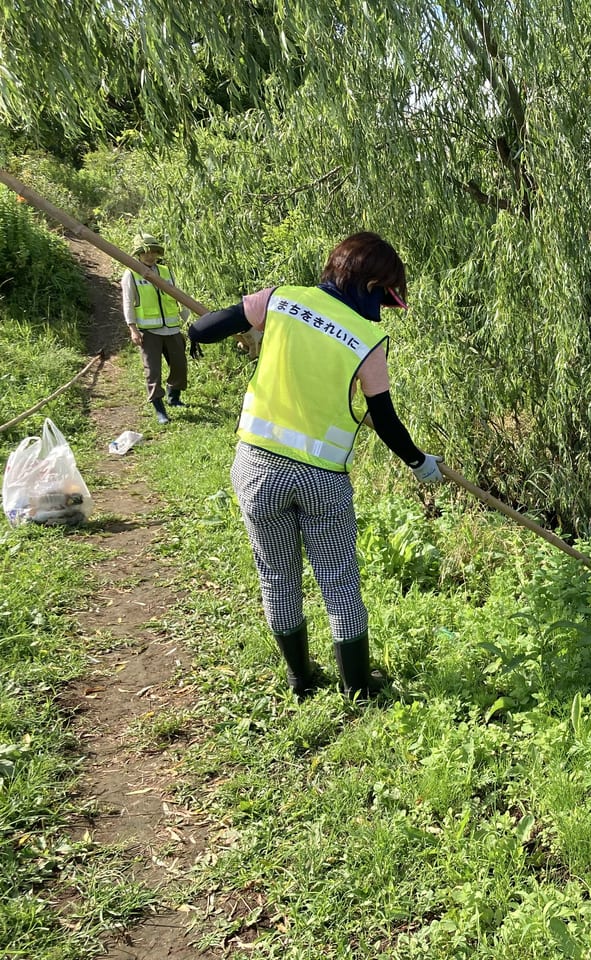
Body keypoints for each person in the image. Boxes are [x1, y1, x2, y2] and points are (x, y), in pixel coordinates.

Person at [188, 232, 443, 699]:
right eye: (385, 300)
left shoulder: (282, 301)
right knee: (339, 579)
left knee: (277, 577)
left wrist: (242, 328)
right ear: (370, 287)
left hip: (258, 470)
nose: (383, 311)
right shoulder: (368, 339)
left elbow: (202, 330)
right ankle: (358, 689)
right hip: (321, 478)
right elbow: (382, 418)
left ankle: (301, 680)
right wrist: (419, 461)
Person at [122, 233, 190, 425]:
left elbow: (178, 296)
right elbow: (128, 302)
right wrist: (132, 328)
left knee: (179, 365)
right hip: (148, 331)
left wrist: (188, 320)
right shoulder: (131, 274)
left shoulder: (166, 271)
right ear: (138, 254)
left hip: (171, 328)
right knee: (152, 371)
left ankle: (174, 397)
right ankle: (159, 409)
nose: (150, 256)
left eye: (153, 252)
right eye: (146, 253)